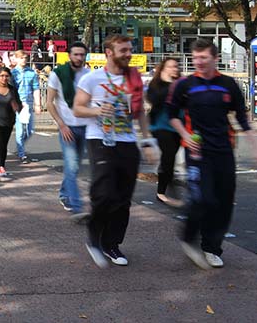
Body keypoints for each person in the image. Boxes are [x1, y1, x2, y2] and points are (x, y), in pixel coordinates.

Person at [167, 39, 255, 269]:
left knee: (224, 202)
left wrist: (253, 142)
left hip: (224, 150)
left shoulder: (228, 84)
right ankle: (188, 237)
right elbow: (172, 115)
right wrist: (184, 136)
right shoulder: (185, 85)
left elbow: (242, 118)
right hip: (197, 152)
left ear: (215, 59)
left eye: (203, 57)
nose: (199, 62)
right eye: (195, 58)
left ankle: (212, 247)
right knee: (203, 198)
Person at [73, 34, 150, 268]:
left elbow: (140, 113)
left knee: (123, 198)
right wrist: (97, 112)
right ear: (109, 52)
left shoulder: (134, 79)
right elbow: (77, 109)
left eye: (130, 50)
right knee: (104, 193)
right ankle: (94, 238)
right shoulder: (92, 79)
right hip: (100, 140)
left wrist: (148, 141)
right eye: (123, 50)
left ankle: (111, 244)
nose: (129, 54)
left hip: (127, 141)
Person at [47, 42, 92, 220]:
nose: (79, 58)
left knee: (74, 166)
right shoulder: (57, 74)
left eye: (82, 55)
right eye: (76, 54)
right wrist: (61, 124)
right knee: (72, 165)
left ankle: (64, 194)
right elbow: (49, 103)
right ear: (69, 55)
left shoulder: (88, 75)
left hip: (85, 126)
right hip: (67, 127)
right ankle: (77, 206)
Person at [146, 57, 182, 206]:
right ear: (163, 69)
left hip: (177, 127)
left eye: (176, 66)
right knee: (168, 156)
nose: (174, 69)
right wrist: (169, 85)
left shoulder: (181, 83)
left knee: (171, 157)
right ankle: (161, 192)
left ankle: (169, 179)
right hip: (160, 126)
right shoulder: (156, 84)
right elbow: (154, 99)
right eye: (171, 67)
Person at [11, 50, 41, 164]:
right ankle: (21, 153)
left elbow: (36, 88)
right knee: (20, 130)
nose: (23, 60)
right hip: (18, 105)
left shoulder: (31, 73)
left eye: (25, 57)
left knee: (30, 130)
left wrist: (37, 104)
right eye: (21, 58)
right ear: (17, 59)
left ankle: (20, 146)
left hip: (28, 104)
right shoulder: (13, 73)